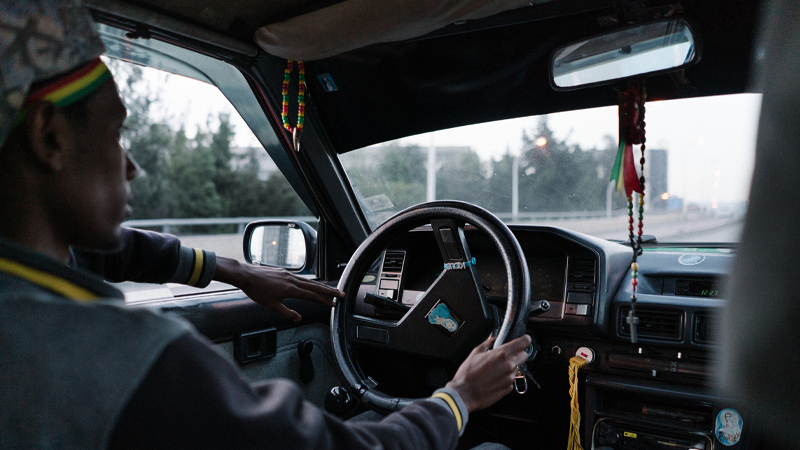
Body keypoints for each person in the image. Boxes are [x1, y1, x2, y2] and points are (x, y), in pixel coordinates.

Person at [0, 1, 532, 449]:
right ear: (50, 136)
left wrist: (234, 270)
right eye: (117, 134)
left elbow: (110, 253)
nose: (131, 166)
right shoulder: (124, 359)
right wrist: (459, 397)